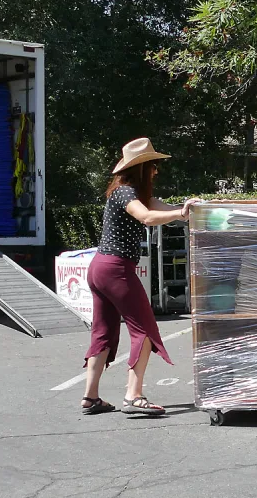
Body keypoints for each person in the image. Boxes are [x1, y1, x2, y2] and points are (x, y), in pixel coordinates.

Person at [80, 138, 201, 417]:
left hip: (101, 268)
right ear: (143, 168)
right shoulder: (125, 194)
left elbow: (167, 210)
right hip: (116, 269)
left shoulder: (129, 193)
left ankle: (91, 396)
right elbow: (147, 217)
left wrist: (189, 210)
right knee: (144, 329)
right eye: (154, 166)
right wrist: (180, 212)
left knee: (103, 332)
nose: (157, 171)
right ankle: (133, 395)